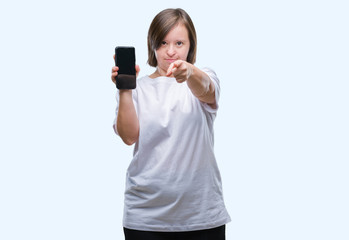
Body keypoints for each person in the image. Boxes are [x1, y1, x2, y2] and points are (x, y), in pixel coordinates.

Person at [111, 8, 231, 240]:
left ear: (190, 46)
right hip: (145, 216)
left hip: (201, 215)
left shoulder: (203, 76)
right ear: (153, 45)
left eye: (179, 43)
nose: (170, 52)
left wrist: (189, 73)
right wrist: (125, 88)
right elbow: (129, 137)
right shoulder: (140, 88)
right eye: (163, 42)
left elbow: (206, 89)